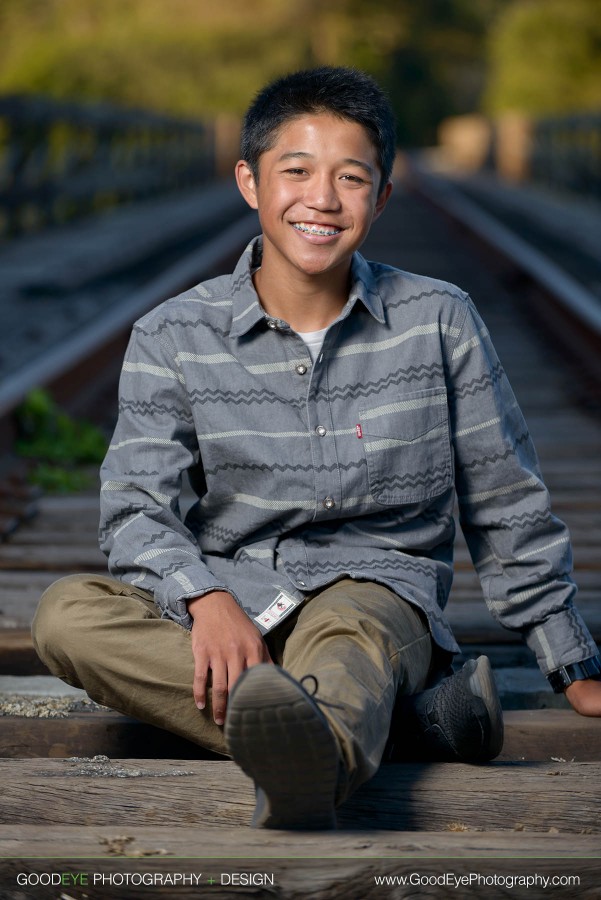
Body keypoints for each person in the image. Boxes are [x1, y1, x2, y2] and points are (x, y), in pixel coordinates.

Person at [33, 66, 601, 830]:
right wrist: (203, 599)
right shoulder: (173, 334)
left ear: (384, 195)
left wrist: (569, 661)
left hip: (373, 592)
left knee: (347, 642)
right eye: (295, 171)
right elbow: (136, 507)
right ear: (249, 181)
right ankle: (408, 728)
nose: (321, 199)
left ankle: (317, 749)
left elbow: (503, 502)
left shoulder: (437, 319)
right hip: (233, 597)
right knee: (66, 615)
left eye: (351, 177)